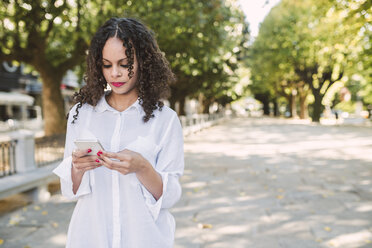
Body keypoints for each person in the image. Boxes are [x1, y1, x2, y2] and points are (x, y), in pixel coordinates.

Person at [53, 17, 184, 248]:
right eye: (107, 64)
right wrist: (77, 168)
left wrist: (142, 168)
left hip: (144, 238)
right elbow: (69, 191)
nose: (115, 73)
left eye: (125, 64)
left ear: (143, 62)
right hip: (91, 237)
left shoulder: (165, 120)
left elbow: (170, 196)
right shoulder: (81, 114)